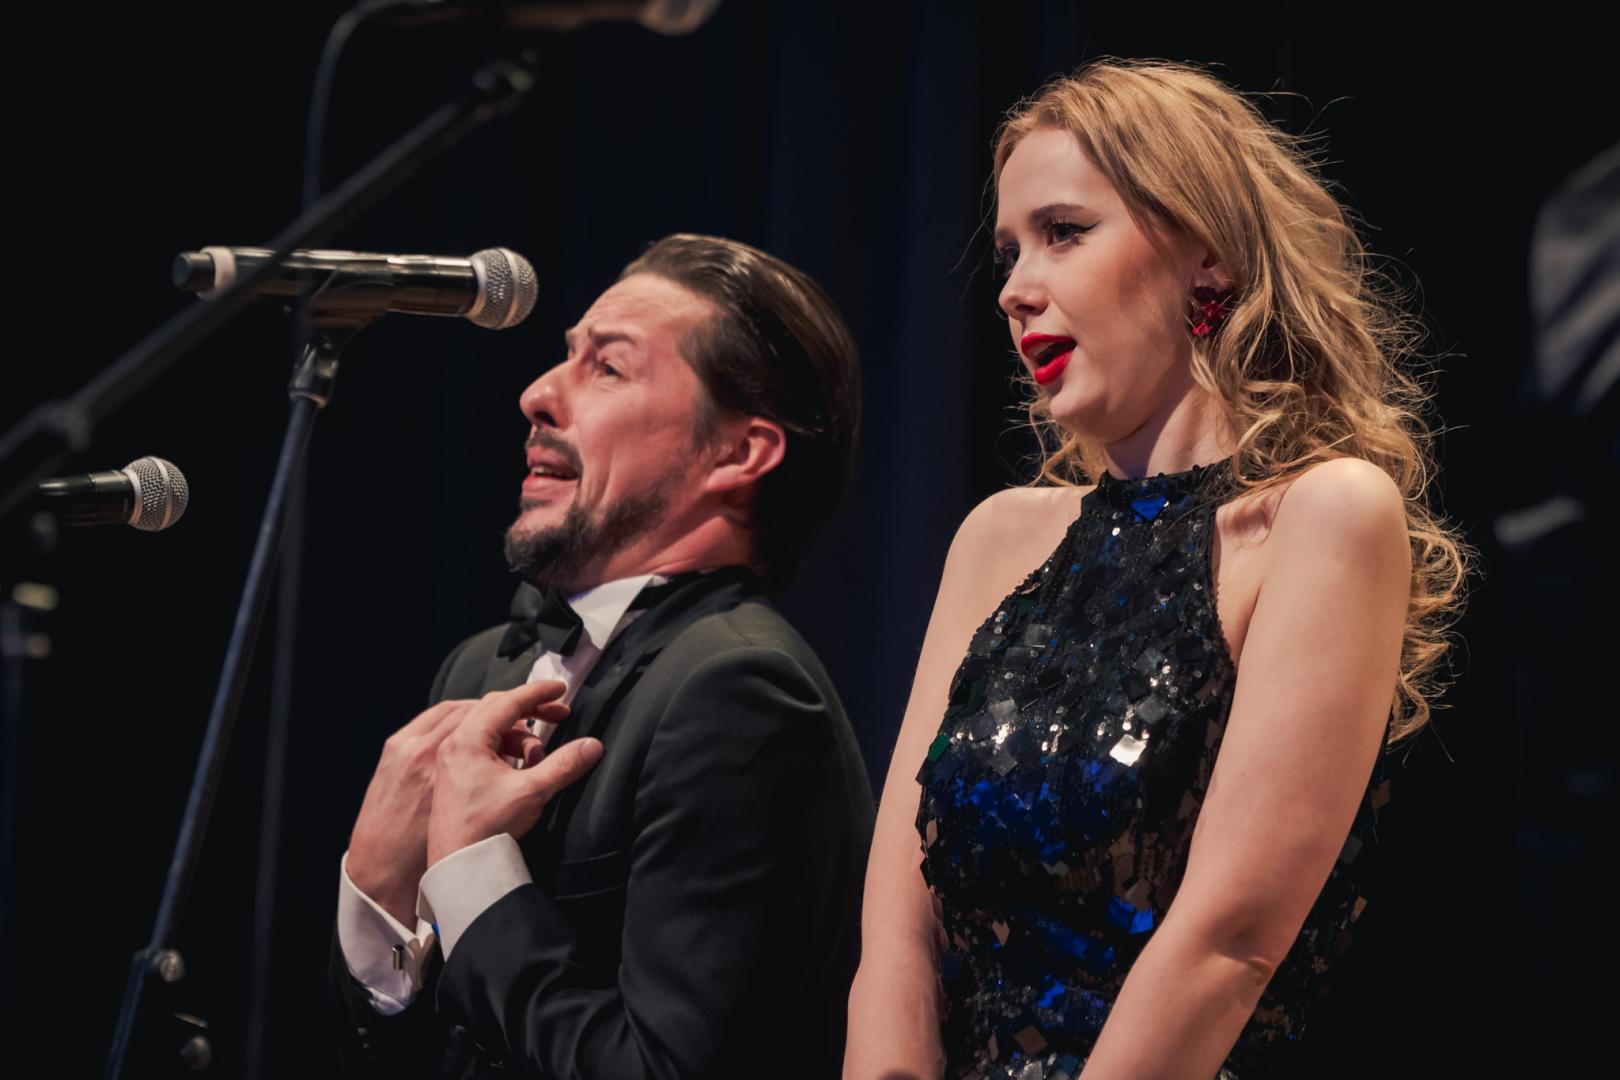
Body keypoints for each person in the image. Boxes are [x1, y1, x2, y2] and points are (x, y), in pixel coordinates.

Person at [845, 60, 1469, 1080]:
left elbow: (1230, 942)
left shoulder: (1323, 516)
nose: (1013, 289)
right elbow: (898, 936)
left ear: (1207, 260)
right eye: (1009, 251)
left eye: (1063, 232)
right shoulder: (999, 539)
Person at [328, 233, 875, 1079]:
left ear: (740, 453)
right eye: (566, 357)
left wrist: (470, 871)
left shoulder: (741, 689)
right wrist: (376, 891)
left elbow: (666, 1069)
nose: (537, 395)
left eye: (608, 368)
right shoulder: (481, 669)